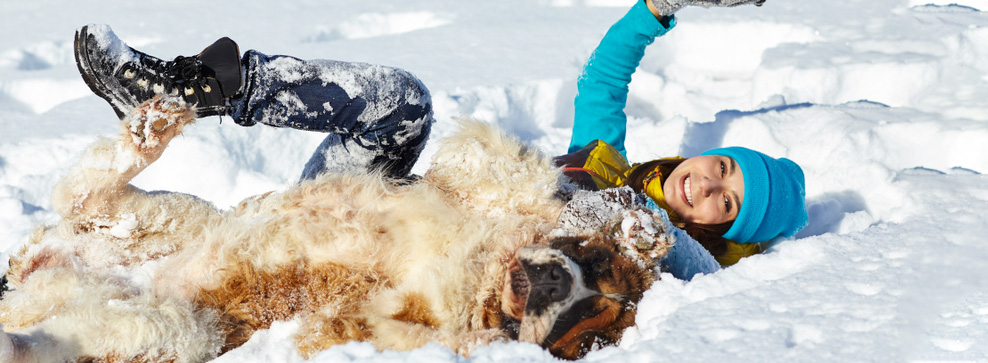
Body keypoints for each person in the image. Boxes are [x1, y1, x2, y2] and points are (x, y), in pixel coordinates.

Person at [555, 0, 807, 267]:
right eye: (723, 168)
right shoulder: (605, 165)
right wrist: (657, 6)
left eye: (726, 203)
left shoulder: (667, 265)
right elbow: (602, 81)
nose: (707, 185)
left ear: (720, 231)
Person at [74, 24, 433, 181]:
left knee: (402, 104)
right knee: (401, 105)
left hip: (311, 258)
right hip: (349, 226)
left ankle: (213, 90)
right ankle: (205, 90)